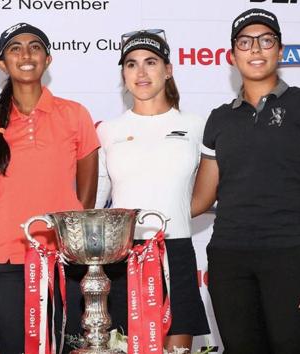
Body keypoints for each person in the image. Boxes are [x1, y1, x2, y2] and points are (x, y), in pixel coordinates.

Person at [192, 8, 300, 354]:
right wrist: (144, 212)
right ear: (232, 56)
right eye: (245, 42)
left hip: (293, 254)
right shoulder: (218, 119)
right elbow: (200, 200)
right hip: (230, 260)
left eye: (265, 40)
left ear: (280, 50)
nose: (255, 49)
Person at [0, 23, 100, 354]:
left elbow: (86, 196)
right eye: (15, 48)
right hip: (7, 265)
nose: (26, 54)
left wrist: (70, 248)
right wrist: (5, 243)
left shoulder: (75, 115)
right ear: (1, 63)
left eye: (35, 47)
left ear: (48, 59)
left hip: (64, 263)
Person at [90, 30, 210, 352]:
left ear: (168, 69)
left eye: (151, 62)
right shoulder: (107, 130)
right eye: (131, 64)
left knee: (178, 348)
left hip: (177, 249)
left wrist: (172, 215)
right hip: (123, 256)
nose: (141, 73)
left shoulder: (197, 125)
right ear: (123, 74)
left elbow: (207, 193)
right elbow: (97, 205)